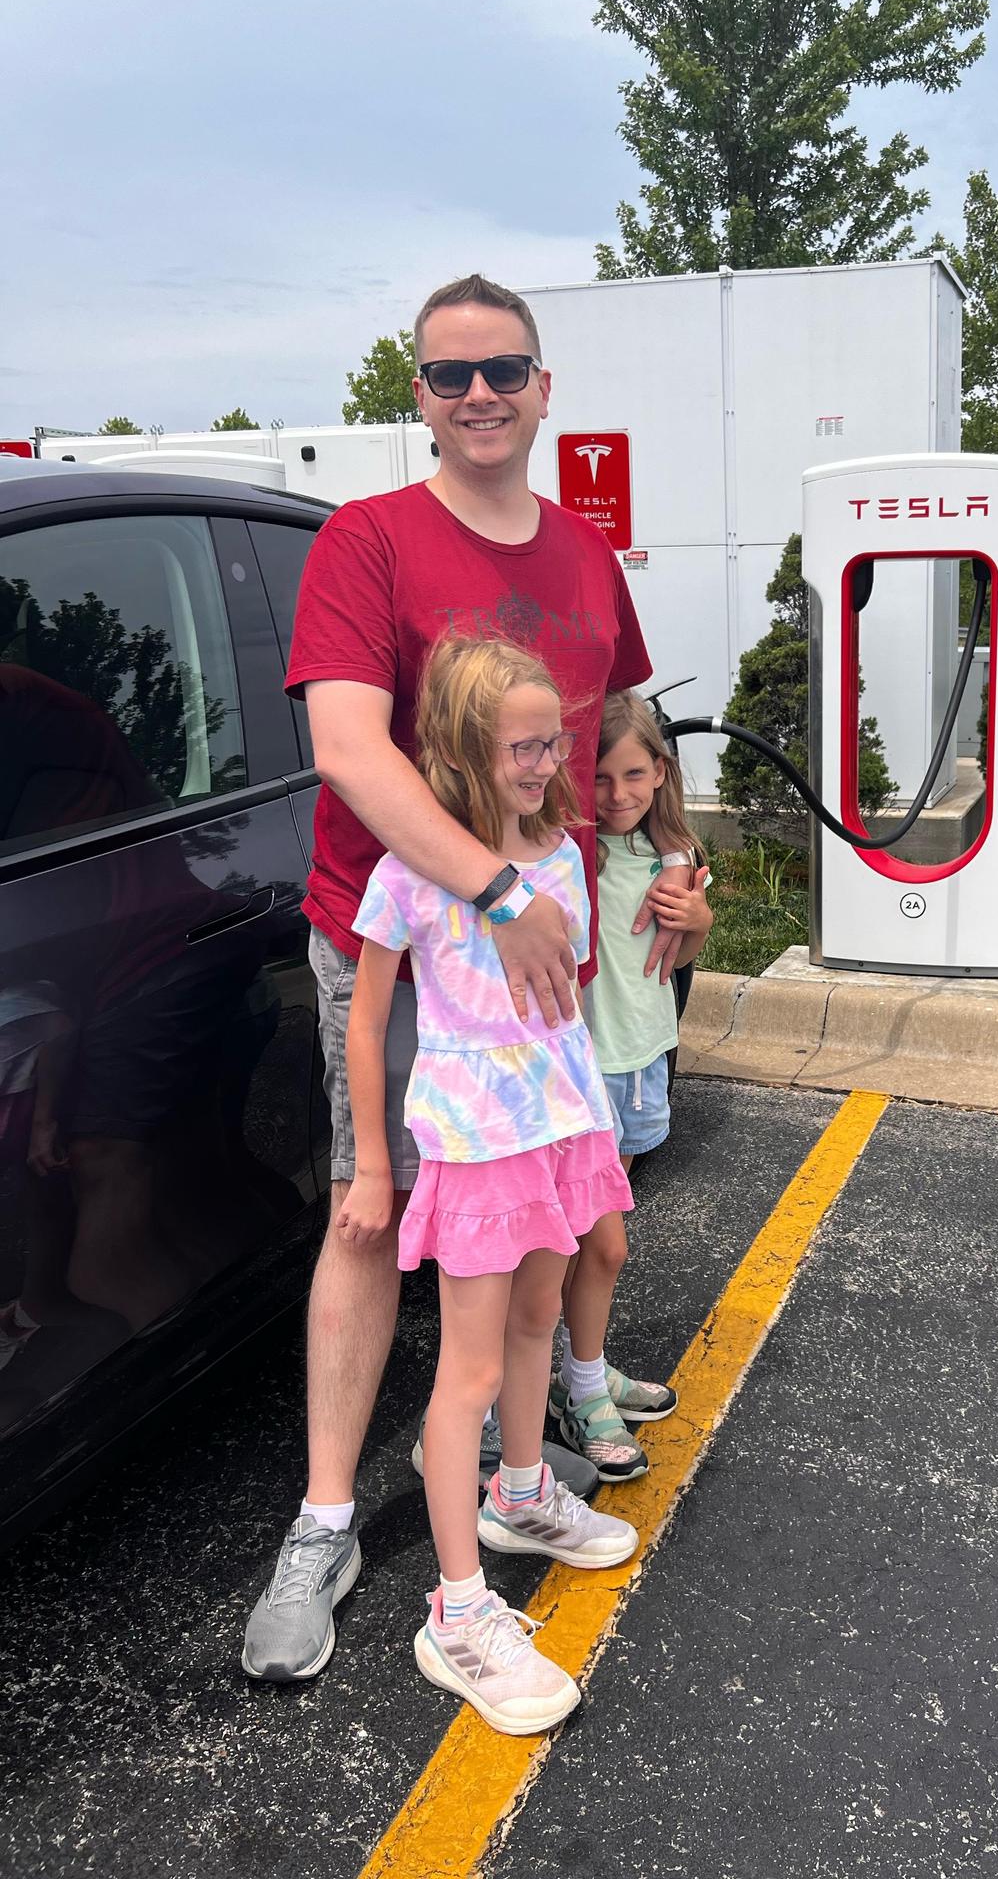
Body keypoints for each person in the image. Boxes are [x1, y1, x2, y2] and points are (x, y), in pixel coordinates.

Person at [243, 274, 685, 1684]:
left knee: (538, 1224)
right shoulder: (367, 540)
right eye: (449, 375)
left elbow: (610, 744)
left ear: (546, 388)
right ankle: (325, 1522)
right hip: (417, 953)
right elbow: (349, 751)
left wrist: (666, 873)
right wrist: (494, 894)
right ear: (421, 397)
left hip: (544, 966)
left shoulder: (588, 556)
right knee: (370, 1215)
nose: (479, 394)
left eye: (503, 370)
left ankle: (516, 1479)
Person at [341, 637, 636, 1732]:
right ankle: (458, 1614)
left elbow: (567, 1005)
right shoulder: (407, 873)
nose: (548, 761)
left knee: (536, 1318)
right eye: (525, 745)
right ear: (465, 749)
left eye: (553, 740)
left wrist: (594, 1117)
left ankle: (521, 1493)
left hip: (559, 1128)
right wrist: (375, 1164)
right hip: (475, 1147)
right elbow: (367, 1024)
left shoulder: (560, 854)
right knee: (463, 1371)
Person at [552, 691, 714, 1481]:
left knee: (594, 1245)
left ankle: (582, 1369)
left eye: (634, 775)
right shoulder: (576, 854)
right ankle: (575, 1389)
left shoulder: (669, 851)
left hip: (639, 1063)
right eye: (599, 776)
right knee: (596, 1244)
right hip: (581, 1073)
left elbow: (672, 959)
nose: (617, 795)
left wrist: (699, 921)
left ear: (661, 773)